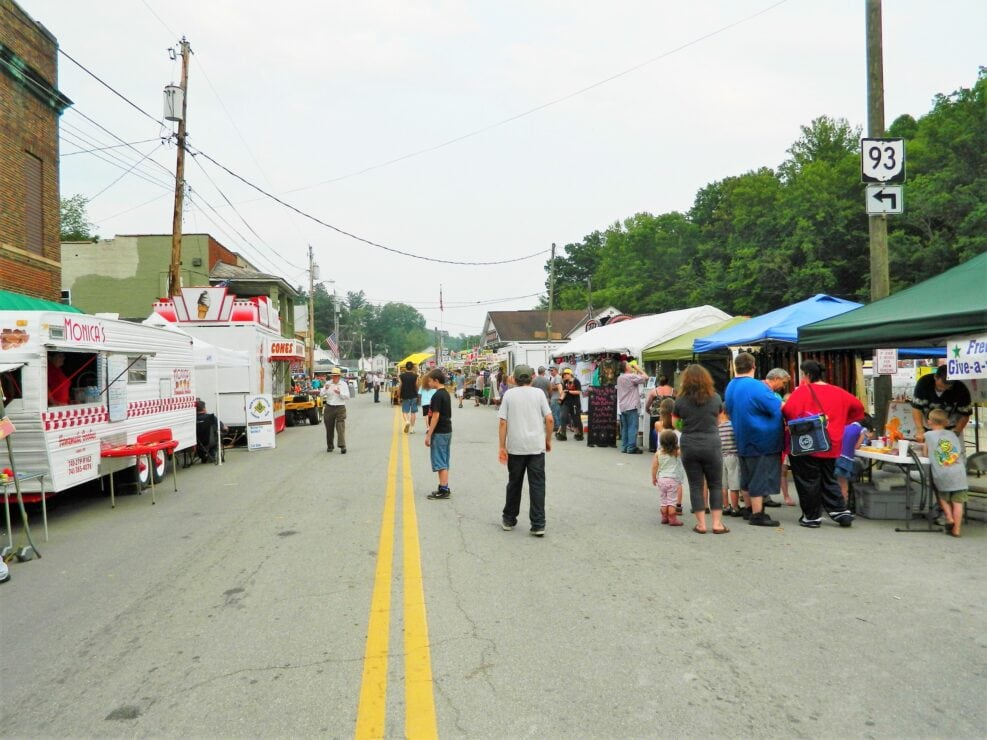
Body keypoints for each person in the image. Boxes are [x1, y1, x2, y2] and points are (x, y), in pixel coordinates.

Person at [782, 359, 864, 528]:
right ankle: (840, 511)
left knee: (808, 479)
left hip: (808, 442)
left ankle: (811, 516)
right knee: (829, 478)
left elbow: (788, 411)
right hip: (832, 442)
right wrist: (841, 421)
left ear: (807, 375)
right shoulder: (839, 392)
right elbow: (858, 408)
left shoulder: (802, 391)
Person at [724, 353, 783, 528]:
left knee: (747, 476)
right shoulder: (756, 386)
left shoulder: (730, 386)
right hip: (762, 438)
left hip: (742, 436)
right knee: (759, 476)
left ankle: (749, 508)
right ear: (753, 366)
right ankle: (758, 513)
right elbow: (775, 406)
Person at [498, 364, 553, 536]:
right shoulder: (539, 394)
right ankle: (538, 523)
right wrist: (548, 439)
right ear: (532, 377)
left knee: (514, 483)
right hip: (536, 446)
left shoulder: (509, 394)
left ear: (514, 378)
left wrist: (502, 446)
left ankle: (509, 518)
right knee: (537, 485)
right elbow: (549, 419)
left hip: (516, 447)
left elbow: (502, 422)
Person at [674, 364, 727, 534]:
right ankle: (717, 524)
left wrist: (687, 428)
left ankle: (701, 524)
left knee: (696, 485)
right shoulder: (716, 398)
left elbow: (675, 423)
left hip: (689, 443)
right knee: (716, 484)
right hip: (712, 443)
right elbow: (720, 420)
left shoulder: (681, 400)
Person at [922, 409, 968, 537]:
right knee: (958, 503)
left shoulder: (928, 436)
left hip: (942, 474)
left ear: (929, 422)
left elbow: (925, 453)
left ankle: (949, 517)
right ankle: (957, 529)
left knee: (942, 497)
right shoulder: (953, 434)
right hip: (959, 472)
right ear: (947, 422)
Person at [911, 365, 972, 443]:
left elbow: (965, 414)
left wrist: (956, 432)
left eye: (947, 388)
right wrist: (919, 429)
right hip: (927, 425)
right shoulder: (924, 383)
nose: (942, 390)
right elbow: (916, 408)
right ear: (935, 377)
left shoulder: (960, 388)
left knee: (954, 452)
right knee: (926, 450)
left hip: (950, 427)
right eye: (940, 387)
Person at [424, 369, 453, 500]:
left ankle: (443, 489)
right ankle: (444, 486)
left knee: (440, 460)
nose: (428, 383)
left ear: (436, 380)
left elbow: (435, 416)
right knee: (444, 459)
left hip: (440, 431)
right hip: (447, 430)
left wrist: (429, 434)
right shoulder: (445, 394)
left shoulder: (437, 396)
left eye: (430, 381)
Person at [835, 414, 873, 502]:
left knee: (838, 482)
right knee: (844, 484)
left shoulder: (845, 426)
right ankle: (843, 503)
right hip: (846, 459)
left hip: (837, 456)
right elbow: (856, 446)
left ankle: (836, 502)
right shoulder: (862, 430)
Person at [651, 429, 685, 526]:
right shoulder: (676, 452)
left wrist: (654, 478)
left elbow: (654, 467)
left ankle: (664, 517)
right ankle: (672, 518)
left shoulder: (658, 453)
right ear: (675, 441)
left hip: (661, 479)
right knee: (671, 501)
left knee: (663, 499)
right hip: (673, 480)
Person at [617, 360, 648, 454]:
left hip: (623, 405)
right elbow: (646, 377)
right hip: (631, 405)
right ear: (626, 368)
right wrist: (639, 369)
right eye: (629, 365)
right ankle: (631, 447)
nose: (631, 366)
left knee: (625, 427)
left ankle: (624, 446)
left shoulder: (620, 377)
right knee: (632, 427)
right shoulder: (631, 376)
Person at [321, 367, 350, 453]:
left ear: (339, 376)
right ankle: (330, 445)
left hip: (340, 407)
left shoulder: (343, 384)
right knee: (329, 427)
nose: (335, 377)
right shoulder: (328, 383)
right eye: (333, 376)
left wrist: (340, 393)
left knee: (340, 426)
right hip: (329, 407)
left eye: (337, 376)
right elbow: (321, 394)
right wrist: (325, 388)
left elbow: (347, 396)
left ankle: (342, 446)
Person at [718, 407, 742, 516]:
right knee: (734, 483)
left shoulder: (716, 427)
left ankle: (725, 506)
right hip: (733, 456)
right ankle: (735, 507)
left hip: (720, 457)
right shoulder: (732, 426)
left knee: (723, 484)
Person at [195, 399, 228, 464]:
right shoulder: (211, 417)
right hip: (211, 442)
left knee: (202, 441)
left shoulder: (193, 418)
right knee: (218, 435)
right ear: (204, 408)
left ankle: (203, 456)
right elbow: (223, 427)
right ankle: (211, 454)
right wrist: (226, 428)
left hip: (197, 442)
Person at [556, 367, 583, 441]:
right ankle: (563, 434)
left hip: (575, 403)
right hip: (566, 403)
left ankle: (579, 434)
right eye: (563, 374)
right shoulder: (565, 382)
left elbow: (579, 392)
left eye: (565, 374)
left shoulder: (576, 381)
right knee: (563, 417)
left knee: (576, 419)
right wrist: (561, 399)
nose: (564, 376)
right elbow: (565, 392)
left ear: (570, 374)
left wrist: (569, 391)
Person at [399, 361, 420, 433]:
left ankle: (407, 421)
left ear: (406, 367)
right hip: (414, 395)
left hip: (405, 396)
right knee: (413, 412)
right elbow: (417, 386)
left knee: (405, 411)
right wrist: (417, 394)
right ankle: (412, 429)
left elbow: (400, 386)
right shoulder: (415, 376)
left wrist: (399, 396)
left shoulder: (402, 376)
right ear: (412, 367)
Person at [547, 366, 563, 431]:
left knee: (555, 412)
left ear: (556, 370)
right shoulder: (554, 378)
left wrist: (550, 388)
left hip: (556, 397)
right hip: (555, 397)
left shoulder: (558, 377)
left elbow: (558, 387)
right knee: (556, 412)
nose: (551, 372)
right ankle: (558, 426)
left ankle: (557, 426)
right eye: (550, 371)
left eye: (552, 370)